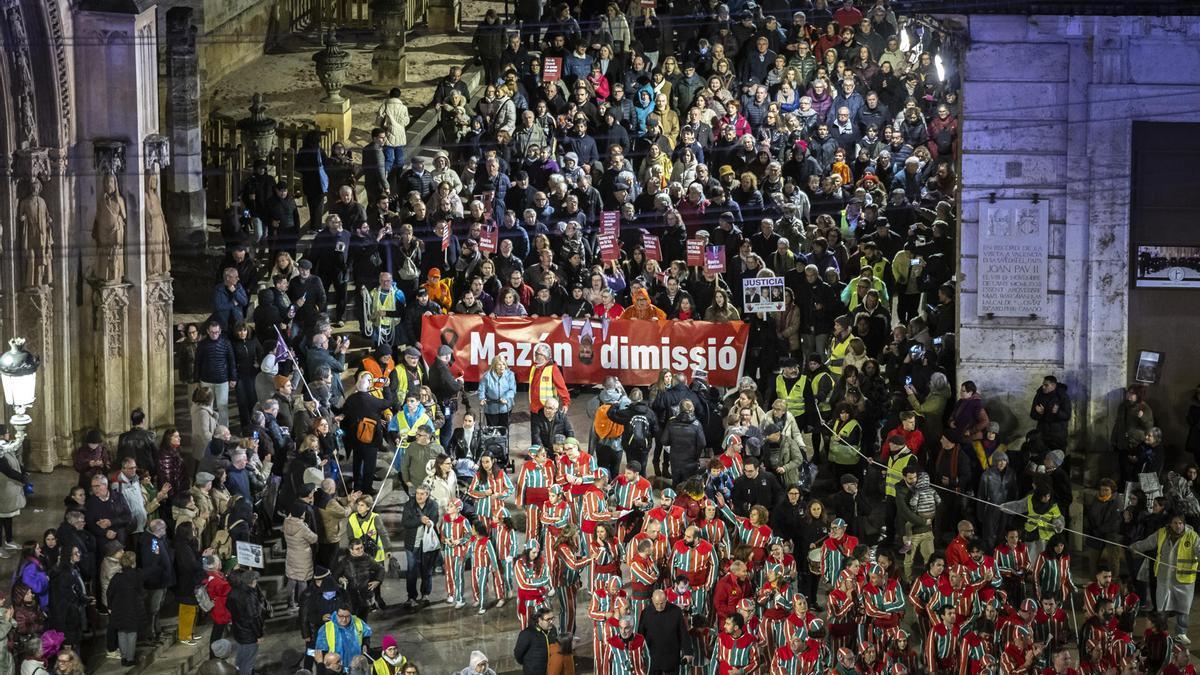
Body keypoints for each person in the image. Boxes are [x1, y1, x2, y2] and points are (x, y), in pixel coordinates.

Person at [1132, 514, 1198, 643]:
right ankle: (1161, 631)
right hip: (1164, 578)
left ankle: (1181, 633)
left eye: (1180, 523)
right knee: (1162, 607)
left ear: (1184, 524)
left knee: (1183, 608)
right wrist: (1135, 547)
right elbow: (1148, 543)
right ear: (1170, 524)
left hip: (1184, 580)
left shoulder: (1192, 536)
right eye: (1175, 523)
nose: (1178, 526)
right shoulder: (1162, 533)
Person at [638, 589, 691, 673]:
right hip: (653, 655)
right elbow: (640, 634)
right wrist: (639, 653)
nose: (659, 606)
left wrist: (688, 652)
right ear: (652, 600)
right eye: (656, 603)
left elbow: (683, 632)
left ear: (666, 599)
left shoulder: (676, 611)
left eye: (662, 603)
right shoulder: (646, 612)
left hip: (672, 654)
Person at [228, 570, 266, 675]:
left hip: (239, 631)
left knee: (241, 657)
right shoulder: (248, 596)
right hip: (249, 634)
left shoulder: (233, 592)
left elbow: (229, 607)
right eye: (255, 580)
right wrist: (259, 635)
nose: (256, 582)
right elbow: (253, 618)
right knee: (248, 661)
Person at [514, 606, 555, 675]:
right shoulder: (527, 634)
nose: (551, 622)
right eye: (548, 619)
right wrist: (529, 664)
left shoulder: (553, 629)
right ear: (539, 620)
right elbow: (518, 653)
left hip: (550, 670)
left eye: (552, 618)